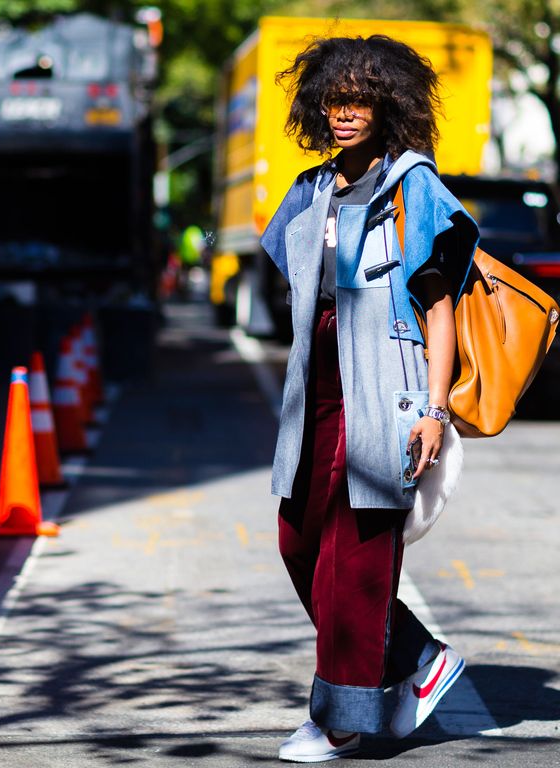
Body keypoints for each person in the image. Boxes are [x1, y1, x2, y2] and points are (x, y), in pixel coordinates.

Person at [260, 35, 479, 762]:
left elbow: (438, 306)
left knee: (353, 557)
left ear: (388, 107)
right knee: (298, 541)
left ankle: (338, 719)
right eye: (334, 97)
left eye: (360, 98)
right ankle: (417, 656)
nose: (345, 111)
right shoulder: (310, 189)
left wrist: (434, 409)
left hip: (386, 385)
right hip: (315, 387)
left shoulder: (413, 186)